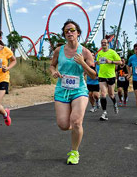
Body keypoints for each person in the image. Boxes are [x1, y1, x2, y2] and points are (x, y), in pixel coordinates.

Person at [49, 19, 96, 165]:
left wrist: (82, 63)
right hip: (62, 90)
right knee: (63, 125)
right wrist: (54, 72)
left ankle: (74, 152)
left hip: (79, 90)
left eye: (72, 30)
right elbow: (51, 65)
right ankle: (75, 126)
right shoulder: (59, 51)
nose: (69, 33)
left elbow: (94, 75)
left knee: (76, 121)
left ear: (78, 33)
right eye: (66, 31)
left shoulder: (85, 52)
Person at [96, 38, 122, 121]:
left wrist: (111, 62)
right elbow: (98, 62)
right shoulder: (99, 53)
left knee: (111, 94)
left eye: (105, 43)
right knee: (103, 94)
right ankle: (104, 113)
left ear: (108, 44)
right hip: (102, 75)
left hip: (111, 76)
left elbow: (120, 62)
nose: (103, 44)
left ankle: (115, 104)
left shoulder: (112, 52)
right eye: (102, 43)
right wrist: (97, 62)